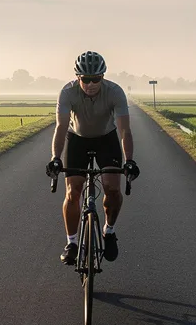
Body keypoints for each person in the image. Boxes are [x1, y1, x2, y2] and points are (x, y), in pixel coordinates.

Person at [45, 51, 139, 265]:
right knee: (73, 191)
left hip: (107, 139)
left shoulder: (115, 92)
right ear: (78, 77)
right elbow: (60, 127)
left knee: (112, 188)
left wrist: (130, 160)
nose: (90, 84)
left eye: (95, 79)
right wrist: (55, 158)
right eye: (85, 79)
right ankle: (72, 242)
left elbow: (124, 130)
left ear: (103, 77)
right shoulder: (67, 92)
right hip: (77, 139)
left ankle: (109, 231)